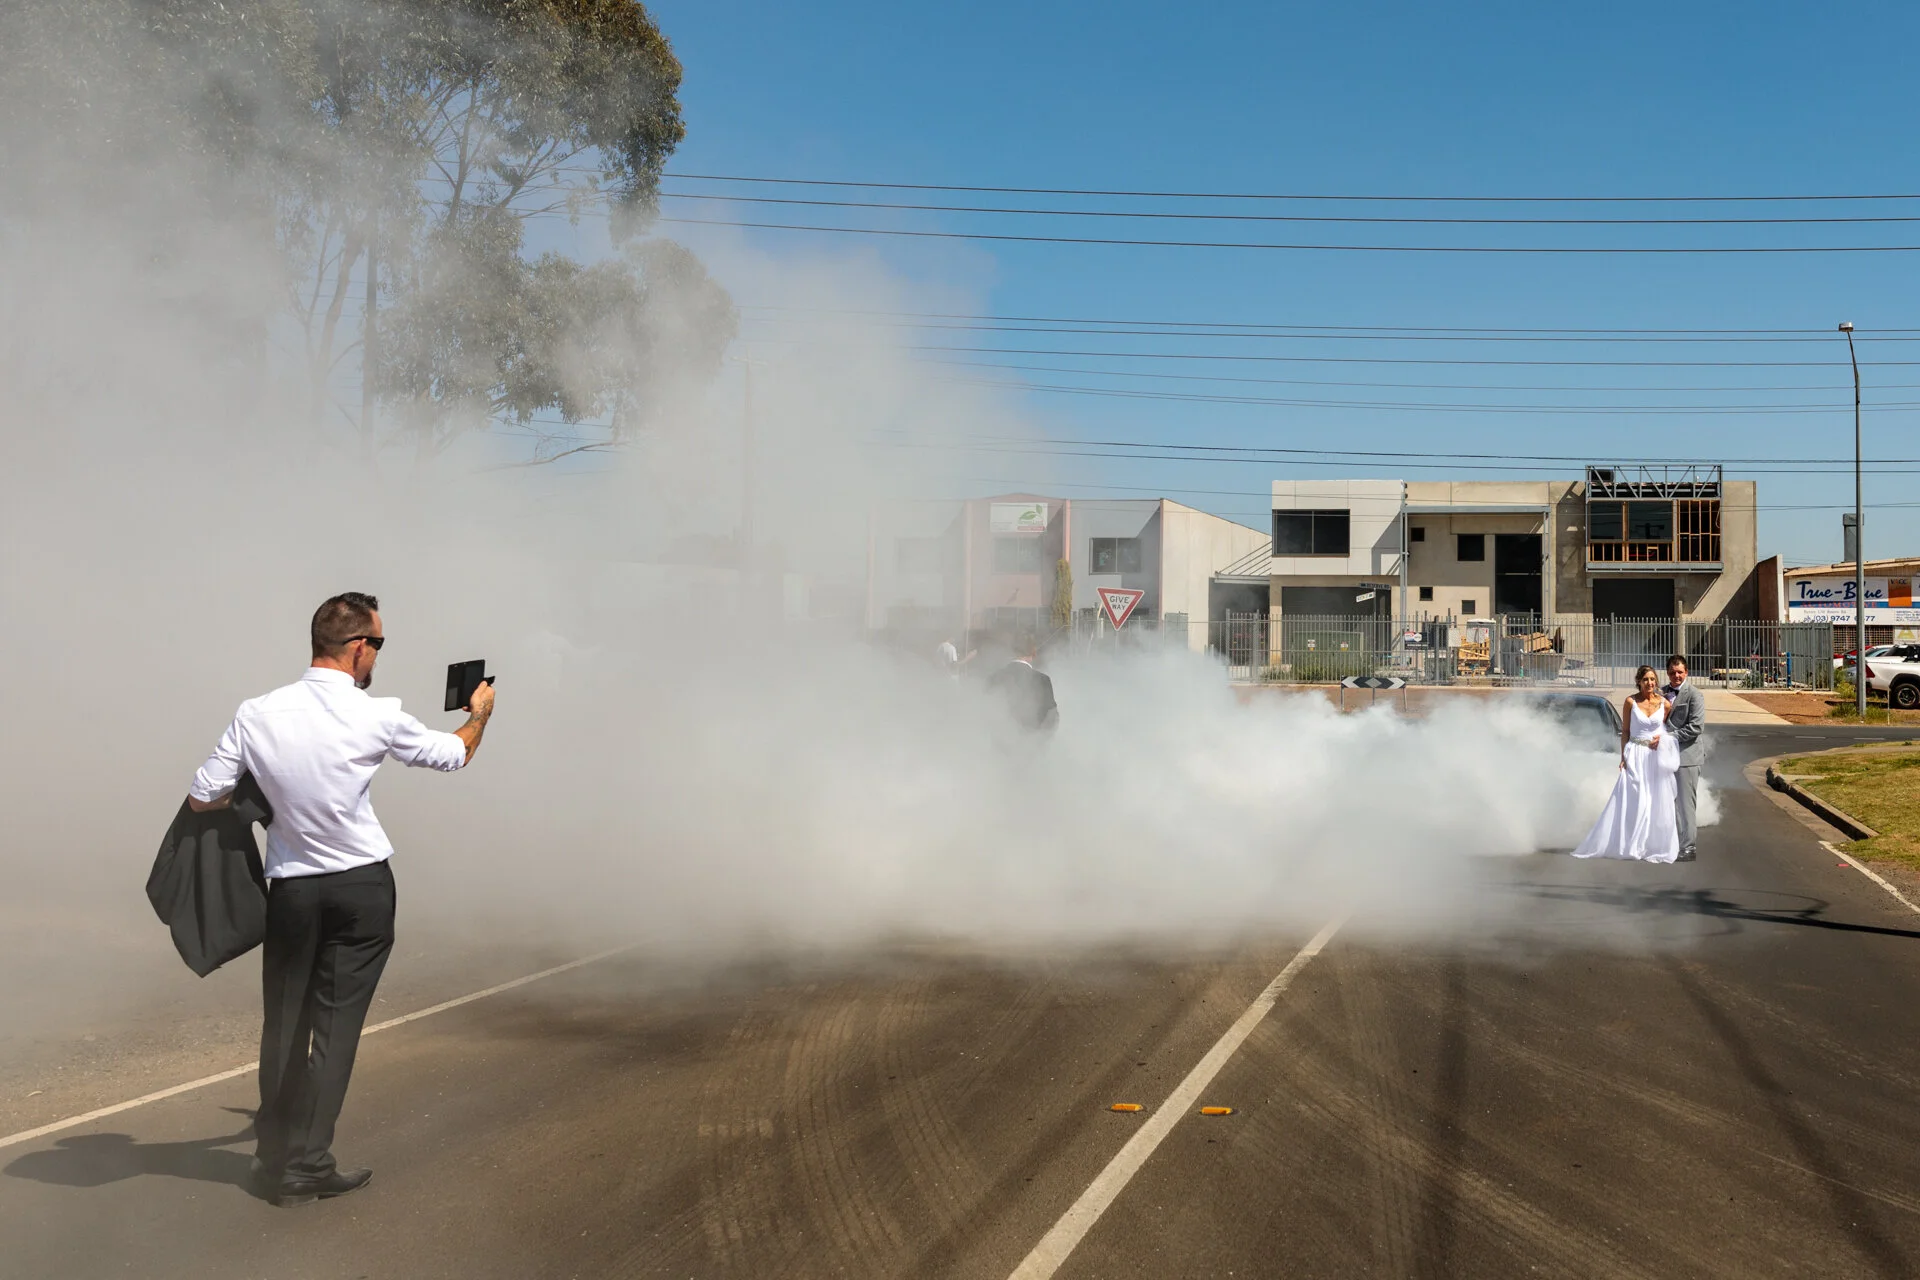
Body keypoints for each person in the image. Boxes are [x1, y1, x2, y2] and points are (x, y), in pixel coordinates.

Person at [186, 593, 495, 1206]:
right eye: (377, 644)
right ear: (358, 647)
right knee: (334, 1029)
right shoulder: (375, 714)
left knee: (284, 1026)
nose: (377, 655)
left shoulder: (257, 713)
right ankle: (307, 1166)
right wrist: (479, 714)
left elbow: (203, 796)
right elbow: (454, 753)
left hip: (292, 890)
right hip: (359, 890)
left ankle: (273, 1157)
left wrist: (273, 794)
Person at [1571, 665, 1679, 863]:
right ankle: (1630, 843)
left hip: (1656, 756)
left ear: (1656, 681)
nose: (1649, 683)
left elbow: (1666, 730)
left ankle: (1650, 844)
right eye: (1645, 679)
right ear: (1639, 681)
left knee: (1654, 800)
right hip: (1635, 753)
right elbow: (1626, 731)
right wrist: (1623, 757)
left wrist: (1663, 741)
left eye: (1652, 679)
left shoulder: (1665, 704)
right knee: (1636, 798)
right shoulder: (1630, 702)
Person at [1664, 653, 1706, 862]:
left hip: (1687, 757)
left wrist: (1669, 737)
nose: (1676, 676)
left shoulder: (1695, 695)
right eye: (1672, 672)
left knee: (1685, 804)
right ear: (1667, 673)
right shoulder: (1661, 693)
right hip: (1664, 759)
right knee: (1666, 802)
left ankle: (1688, 847)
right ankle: (1670, 843)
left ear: (1686, 672)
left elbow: (1696, 727)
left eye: (1680, 672)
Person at [986, 634, 1058, 732]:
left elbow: (985, 712)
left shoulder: (994, 678)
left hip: (1001, 738)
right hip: (1033, 738)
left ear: (1012, 651)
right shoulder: (1042, 680)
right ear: (1034, 653)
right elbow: (1051, 717)